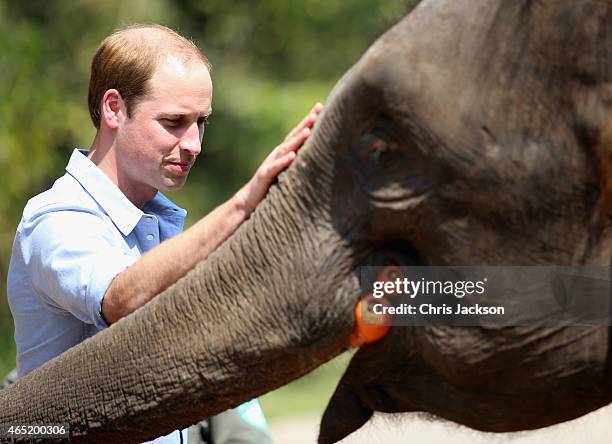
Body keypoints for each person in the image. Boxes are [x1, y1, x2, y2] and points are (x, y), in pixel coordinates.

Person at [6, 23, 322, 443]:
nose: (194, 143)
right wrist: (243, 205)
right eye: (174, 122)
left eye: (201, 123)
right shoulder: (57, 218)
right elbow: (120, 300)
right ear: (114, 108)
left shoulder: (158, 223)